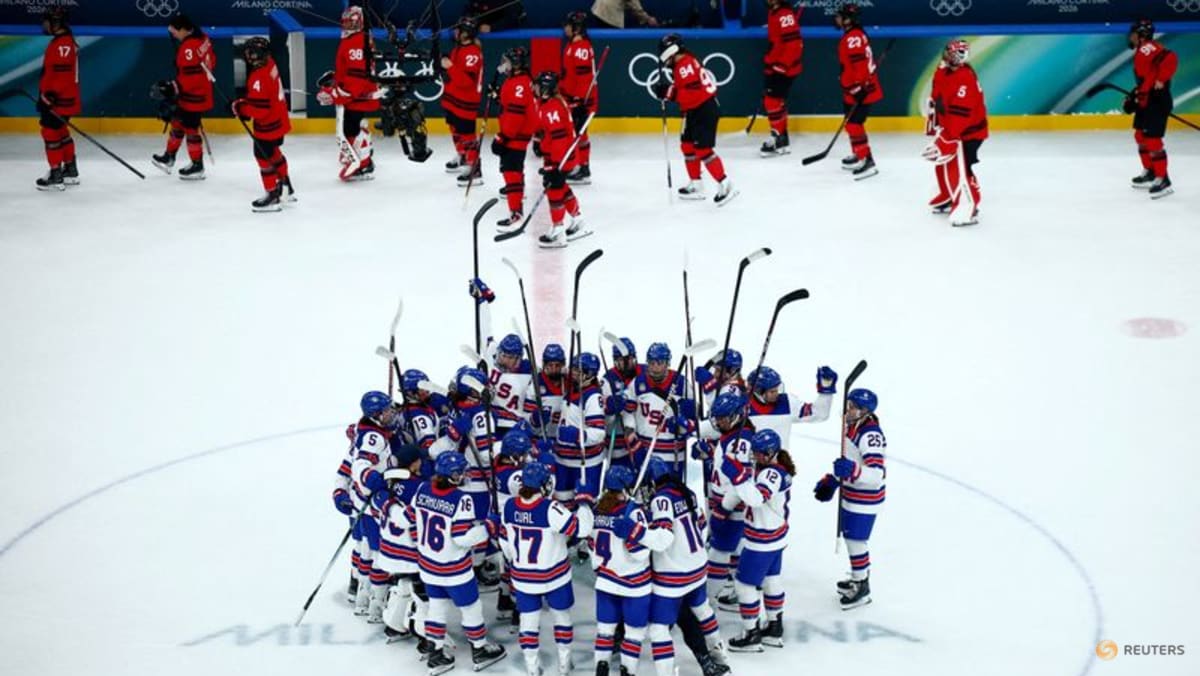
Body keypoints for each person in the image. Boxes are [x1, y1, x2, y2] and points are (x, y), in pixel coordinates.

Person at [412, 452, 507, 674]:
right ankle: (480, 648)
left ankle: (436, 652)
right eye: (461, 471)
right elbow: (462, 538)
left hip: (428, 565)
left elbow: (412, 519)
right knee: (471, 607)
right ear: (453, 476)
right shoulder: (461, 499)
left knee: (437, 606)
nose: (465, 474)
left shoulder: (422, 489)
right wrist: (487, 528)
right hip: (453, 569)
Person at [498, 461, 593, 676]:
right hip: (554, 577)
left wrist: (515, 562)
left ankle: (532, 668)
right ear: (544, 485)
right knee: (562, 619)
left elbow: (505, 542)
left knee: (528, 623)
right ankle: (563, 665)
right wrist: (585, 504)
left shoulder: (510, 506)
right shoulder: (551, 509)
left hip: (523, 578)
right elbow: (582, 529)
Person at [644, 457, 725, 676]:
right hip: (697, 568)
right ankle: (718, 657)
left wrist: (639, 533)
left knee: (658, 628)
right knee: (702, 611)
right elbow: (701, 527)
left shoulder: (660, 501)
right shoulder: (688, 493)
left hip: (672, 575)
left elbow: (663, 538)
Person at [588, 465, 668, 676]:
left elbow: (590, 545)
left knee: (605, 632)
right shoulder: (633, 512)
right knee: (633, 634)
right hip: (635, 585)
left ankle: (601, 668)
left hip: (605, 582)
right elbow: (639, 553)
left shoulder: (596, 510)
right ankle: (627, 671)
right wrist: (642, 530)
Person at [814, 388, 886, 609]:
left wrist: (852, 471)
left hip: (865, 499)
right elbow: (848, 462)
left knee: (856, 541)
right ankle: (858, 576)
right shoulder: (852, 427)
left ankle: (862, 585)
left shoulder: (870, 435)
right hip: (852, 494)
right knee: (851, 538)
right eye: (849, 405)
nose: (849, 410)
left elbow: (876, 475)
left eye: (853, 407)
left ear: (865, 411)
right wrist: (833, 480)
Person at [724, 429, 794, 651]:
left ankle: (751, 633)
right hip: (775, 536)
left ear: (771, 452)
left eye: (759, 452)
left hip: (762, 539)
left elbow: (755, 498)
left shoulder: (771, 474)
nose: (755, 455)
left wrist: (737, 476)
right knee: (771, 579)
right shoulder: (766, 468)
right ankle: (774, 627)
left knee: (744, 584)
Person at [653, 34, 737, 206]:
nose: (664, 60)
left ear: (671, 51)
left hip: (703, 109)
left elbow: (694, 94)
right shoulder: (684, 64)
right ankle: (696, 184)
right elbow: (685, 90)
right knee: (687, 146)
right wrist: (670, 92)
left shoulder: (685, 66)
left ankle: (725, 184)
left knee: (703, 150)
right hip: (693, 110)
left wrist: (669, 93)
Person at [692, 392, 753, 608]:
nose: (718, 422)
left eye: (723, 418)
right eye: (716, 417)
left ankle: (702, 603)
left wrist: (723, 509)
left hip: (732, 508)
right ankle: (739, 594)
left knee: (719, 552)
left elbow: (740, 482)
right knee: (736, 549)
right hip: (729, 505)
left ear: (736, 417)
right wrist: (708, 451)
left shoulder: (741, 441)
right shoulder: (732, 435)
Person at [924, 39, 988, 227]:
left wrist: (949, 136)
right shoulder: (946, 72)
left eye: (950, 54)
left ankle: (970, 205)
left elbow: (961, 113)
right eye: (946, 53)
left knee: (962, 169)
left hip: (967, 133)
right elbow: (937, 95)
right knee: (942, 163)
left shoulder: (965, 78)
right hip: (951, 129)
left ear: (959, 57)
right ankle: (948, 194)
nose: (945, 56)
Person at [349, 391, 400, 616]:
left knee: (368, 550)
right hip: (372, 503)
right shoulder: (374, 437)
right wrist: (371, 478)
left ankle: (362, 598)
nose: (392, 413)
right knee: (379, 553)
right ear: (377, 415)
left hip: (366, 501)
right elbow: (360, 464)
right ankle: (376, 608)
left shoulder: (374, 430)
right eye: (387, 410)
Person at [316, 5, 381, 181]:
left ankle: (364, 163)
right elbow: (348, 70)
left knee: (350, 127)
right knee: (351, 125)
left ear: (360, 23)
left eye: (352, 23)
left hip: (358, 96)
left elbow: (357, 77)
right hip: (356, 94)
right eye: (346, 23)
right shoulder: (358, 38)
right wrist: (335, 83)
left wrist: (336, 93)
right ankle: (354, 154)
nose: (348, 26)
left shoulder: (357, 41)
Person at [231, 37, 294, 212]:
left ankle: (272, 194)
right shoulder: (270, 64)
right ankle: (286, 185)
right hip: (279, 120)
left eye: (250, 52)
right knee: (274, 153)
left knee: (262, 157)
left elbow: (260, 110)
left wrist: (240, 108)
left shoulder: (259, 76)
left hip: (268, 126)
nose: (247, 55)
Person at [151, 13, 213, 180]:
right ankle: (169, 157)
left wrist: (174, 87)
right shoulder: (203, 38)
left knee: (191, 129)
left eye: (175, 32)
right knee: (177, 122)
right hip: (198, 92)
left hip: (194, 95)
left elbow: (192, 77)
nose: (174, 36)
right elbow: (212, 61)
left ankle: (197, 165)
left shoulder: (189, 48)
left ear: (184, 30)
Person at [532, 71, 590, 248]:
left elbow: (560, 138)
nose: (534, 88)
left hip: (561, 156)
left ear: (545, 89)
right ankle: (578, 219)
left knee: (555, 190)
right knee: (560, 186)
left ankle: (558, 230)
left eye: (538, 86)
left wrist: (555, 165)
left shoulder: (552, 107)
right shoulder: (548, 103)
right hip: (559, 155)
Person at [373, 444, 425, 638]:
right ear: (413, 464)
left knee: (402, 585)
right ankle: (426, 636)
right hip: (408, 551)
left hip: (388, 549)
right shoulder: (418, 487)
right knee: (423, 594)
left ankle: (394, 625)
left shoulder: (390, 481)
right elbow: (414, 521)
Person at [621, 342, 694, 477]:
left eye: (659, 363)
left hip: (673, 455)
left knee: (671, 494)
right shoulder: (637, 383)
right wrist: (630, 430)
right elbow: (628, 411)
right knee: (645, 494)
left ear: (667, 363)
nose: (655, 367)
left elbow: (694, 421)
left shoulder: (682, 384)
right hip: (644, 451)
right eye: (651, 362)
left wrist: (683, 426)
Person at [1125, 18, 1178, 199]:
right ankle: (1151, 171)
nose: (1129, 37)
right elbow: (1146, 78)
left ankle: (1163, 179)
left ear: (1141, 35)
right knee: (1140, 135)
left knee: (1153, 140)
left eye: (1132, 34)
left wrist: (1162, 79)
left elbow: (1171, 57)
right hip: (1147, 101)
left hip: (1156, 101)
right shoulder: (1142, 50)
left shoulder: (1148, 48)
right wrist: (1135, 96)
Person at [491, 46, 539, 229]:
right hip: (518, 135)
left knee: (511, 172)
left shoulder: (519, 83)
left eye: (508, 62)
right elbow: (511, 106)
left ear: (517, 64)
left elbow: (516, 115)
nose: (505, 65)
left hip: (515, 136)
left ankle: (516, 213)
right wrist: (498, 98)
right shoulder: (520, 80)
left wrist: (503, 137)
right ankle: (517, 205)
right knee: (515, 171)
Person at [834, 3, 882, 180]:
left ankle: (867, 160)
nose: (837, 19)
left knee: (854, 125)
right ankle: (858, 153)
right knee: (851, 123)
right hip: (855, 89)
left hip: (861, 90)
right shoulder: (854, 35)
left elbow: (860, 68)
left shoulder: (853, 38)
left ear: (848, 19)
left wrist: (857, 88)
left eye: (840, 16)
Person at [553, 352, 607, 507]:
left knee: (584, 506)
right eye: (574, 369)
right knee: (563, 505)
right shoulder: (573, 389)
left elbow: (599, 433)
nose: (573, 373)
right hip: (563, 460)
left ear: (588, 374)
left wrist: (578, 435)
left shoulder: (592, 397)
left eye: (578, 371)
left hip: (585, 463)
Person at [34, 7, 80, 191]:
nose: (44, 25)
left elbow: (62, 74)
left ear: (56, 23)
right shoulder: (65, 41)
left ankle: (56, 175)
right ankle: (70, 170)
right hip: (64, 99)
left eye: (47, 21)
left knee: (50, 133)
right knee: (61, 131)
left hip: (58, 100)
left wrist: (49, 96)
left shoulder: (63, 44)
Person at [441, 16, 485, 186]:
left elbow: (466, 82)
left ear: (466, 33)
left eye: (458, 29)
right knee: (454, 128)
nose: (455, 32)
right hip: (453, 98)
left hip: (466, 101)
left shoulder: (472, 53)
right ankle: (462, 155)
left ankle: (474, 167)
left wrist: (450, 66)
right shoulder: (459, 48)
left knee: (467, 134)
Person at [744, 365, 835, 442]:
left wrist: (826, 392)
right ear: (758, 391)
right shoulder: (741, 407)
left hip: (778, 462)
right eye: (772, 391)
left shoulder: (787, 403)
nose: (777, 394)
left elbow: (819, 414)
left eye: (777, 389)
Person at [759, 0, 803, 157]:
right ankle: (782, 139)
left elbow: (795, 44)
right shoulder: (774, 12)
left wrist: (782, 65)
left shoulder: (784, 14)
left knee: (771, 101)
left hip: (784, 68)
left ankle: (778, 138)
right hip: (776, 64)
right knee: (776, 102)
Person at [561, 11, 598, 184]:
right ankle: (579, 166)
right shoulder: (572, 45)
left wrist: (580, 100)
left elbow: (584, 79)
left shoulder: (581, 47)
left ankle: (582, 168)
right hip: (573, 98)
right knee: (576, 133)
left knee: (579, 134)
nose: (565, 28)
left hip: (581, 99)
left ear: (576, 28)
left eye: (567, 25)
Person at [601, 337, 639, 472]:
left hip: (641, 441)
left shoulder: (644, 374)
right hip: (617, 444)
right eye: (623, 360)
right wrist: (610, 408)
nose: (628, 363)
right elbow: (602, 415)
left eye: (630, 359)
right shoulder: (607, 380)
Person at [526, 343, 567, 442]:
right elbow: (526, 419)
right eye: (550, 365)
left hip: (564, 441)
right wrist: (534, 420)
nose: (553, 369)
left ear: (563, 364)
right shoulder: (535, 384)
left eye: (557, 365)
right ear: (544, 365)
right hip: (542, 439)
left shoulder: (570, 382)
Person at [590, 0, 659, 29]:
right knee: (611, 43)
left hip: (598, 10)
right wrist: (648, 19)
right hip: (610, 15)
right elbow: (635, 7)